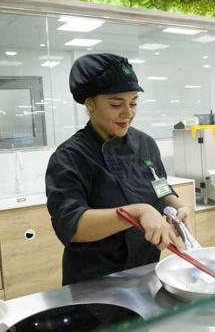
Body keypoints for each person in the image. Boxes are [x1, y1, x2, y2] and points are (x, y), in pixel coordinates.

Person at [46, 53, 192, 285]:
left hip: (146, 272)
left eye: (133, 102)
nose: (128, 113)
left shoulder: (145, 144)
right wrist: (136, 212)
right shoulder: (70, 156)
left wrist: (177, 205)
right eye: (116, 104)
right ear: (90, 104)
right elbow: (72, 225)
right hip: (95, 283)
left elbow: (159, 184)